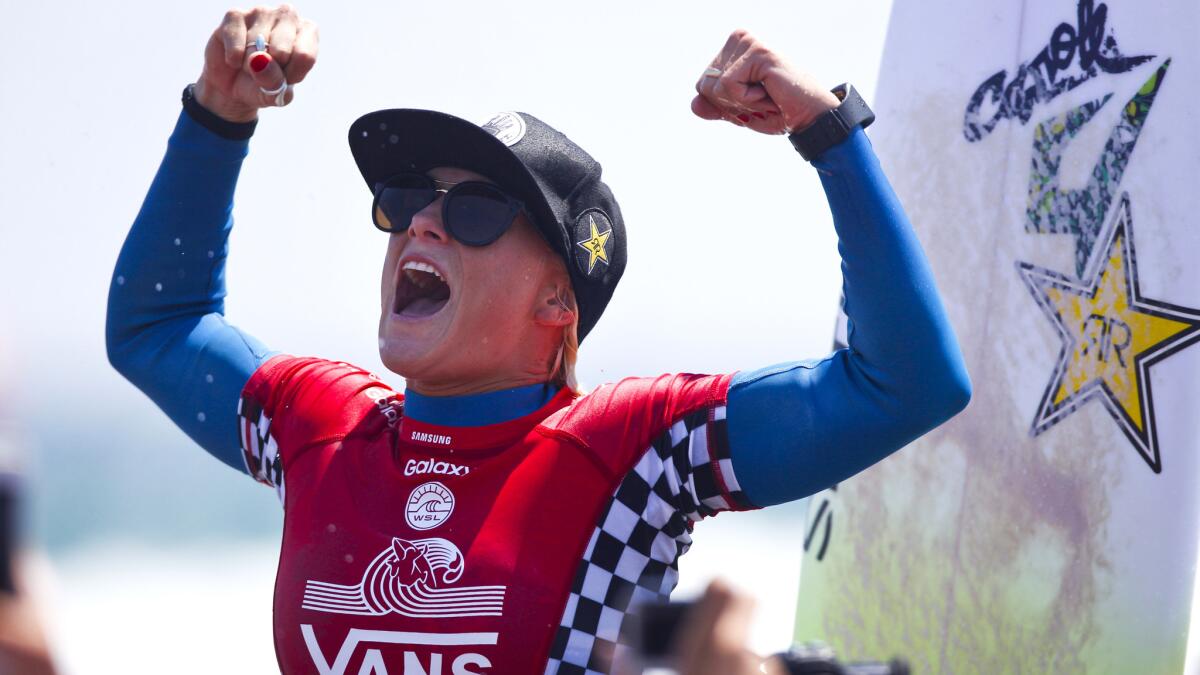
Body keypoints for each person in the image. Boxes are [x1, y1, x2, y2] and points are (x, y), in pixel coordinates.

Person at [106, 5, 971, 673]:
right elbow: (155, 326)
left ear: (559, 299)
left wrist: (829, 134)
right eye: (406, 198)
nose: (424, 226)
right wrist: (219, 113)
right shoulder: (317, 425)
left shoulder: (638, 449)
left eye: (475, 210)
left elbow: (908, 383)